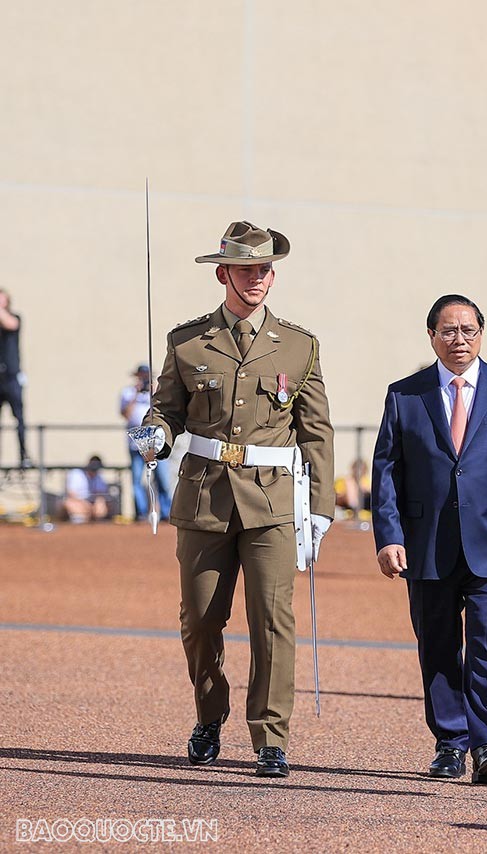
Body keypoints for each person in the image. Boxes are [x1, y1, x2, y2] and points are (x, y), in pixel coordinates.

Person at [142, 221, 335, 779]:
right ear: (222, 273)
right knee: (200, 619)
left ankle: (270, 736)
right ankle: (209, 714)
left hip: (272, 501)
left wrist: (319, 505)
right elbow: (167, 409)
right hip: (205, 495)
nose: (257, 278)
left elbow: (315, 430)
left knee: (273, 621)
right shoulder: (187, 341)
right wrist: (156, 432)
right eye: (246, 269)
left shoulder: (299, 345)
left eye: (266, 269)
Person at [372, 293, 487, 786]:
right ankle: (450, 742)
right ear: (431, 335)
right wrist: (387, 536)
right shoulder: (405, 394)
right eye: (448, 331)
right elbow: (386, 471)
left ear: (481, 335)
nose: (459, 340)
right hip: (425, 542)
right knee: (438, 645)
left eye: (468, 330)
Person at [121, 364, 172, 521]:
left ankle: (165, 512)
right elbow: (126, 415)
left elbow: (165, 410)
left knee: (162, 479)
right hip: (136, 445)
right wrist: (136, 394)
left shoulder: (156, 393)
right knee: (137, 479)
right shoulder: (128, 393)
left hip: (154, 444)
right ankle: (141, 513)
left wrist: (154, 391)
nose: (143, 380)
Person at [0, 289, 29, 467]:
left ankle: (24, 455)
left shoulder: (15, 317)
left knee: (19, 417)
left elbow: (10, 323)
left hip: (12, 377)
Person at [63, 455, 110, 523]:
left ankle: (96, 527)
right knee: (73, 507)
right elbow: (71, 494)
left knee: (100, 505)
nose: (94, 471)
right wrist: (85, 505)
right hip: (78, 502)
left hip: (90, 503)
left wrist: (94, 505)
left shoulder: (98, 477)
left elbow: (101, 494)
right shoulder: (77, 474)